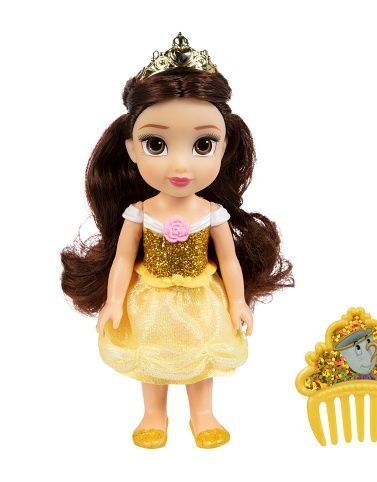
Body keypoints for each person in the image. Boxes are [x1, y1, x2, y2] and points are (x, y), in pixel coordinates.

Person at [60, 33, 293, 449]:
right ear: (132, 149)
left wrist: (238, 301)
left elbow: (229, 261)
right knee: (152, 357)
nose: (180, 165)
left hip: (202, 299)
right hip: (149, 299)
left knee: (200, 356)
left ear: (224, 147)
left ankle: (202, 413)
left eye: (203, 144)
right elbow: (122, 260)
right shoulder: (139, 212)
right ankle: (154, 413)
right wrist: (114, 300)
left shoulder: (211, 213)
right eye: (157, 144)